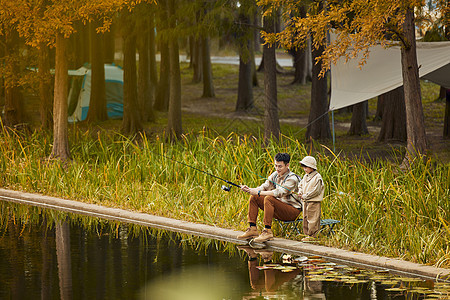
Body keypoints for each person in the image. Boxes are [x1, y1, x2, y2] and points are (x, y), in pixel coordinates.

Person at [238, 153, 301, 243]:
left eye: (280, 166)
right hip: (278, 207)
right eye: (275, 165)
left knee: (269, 198)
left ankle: (267, 231)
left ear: (287, 165)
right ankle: (252, 229)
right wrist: (250, 189)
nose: (277, 168)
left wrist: (259, 192)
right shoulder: (275, 174)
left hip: (292, 211)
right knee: (254, 197)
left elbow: (279, 193)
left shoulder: (292, 179)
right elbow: (264, 186)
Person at [298, 156, 325, 242]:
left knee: (313, 218)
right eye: (303, 167)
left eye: (306, 167)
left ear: (312, 167)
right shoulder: (305, 176)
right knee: (305, 217)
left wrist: (306, 196)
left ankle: (312, 235)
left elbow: (316, 191)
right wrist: (300, 192)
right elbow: (301, 185)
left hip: (314, 202)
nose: (304, 169)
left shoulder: (317, 177)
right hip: (305, 201)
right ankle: (306, 234)